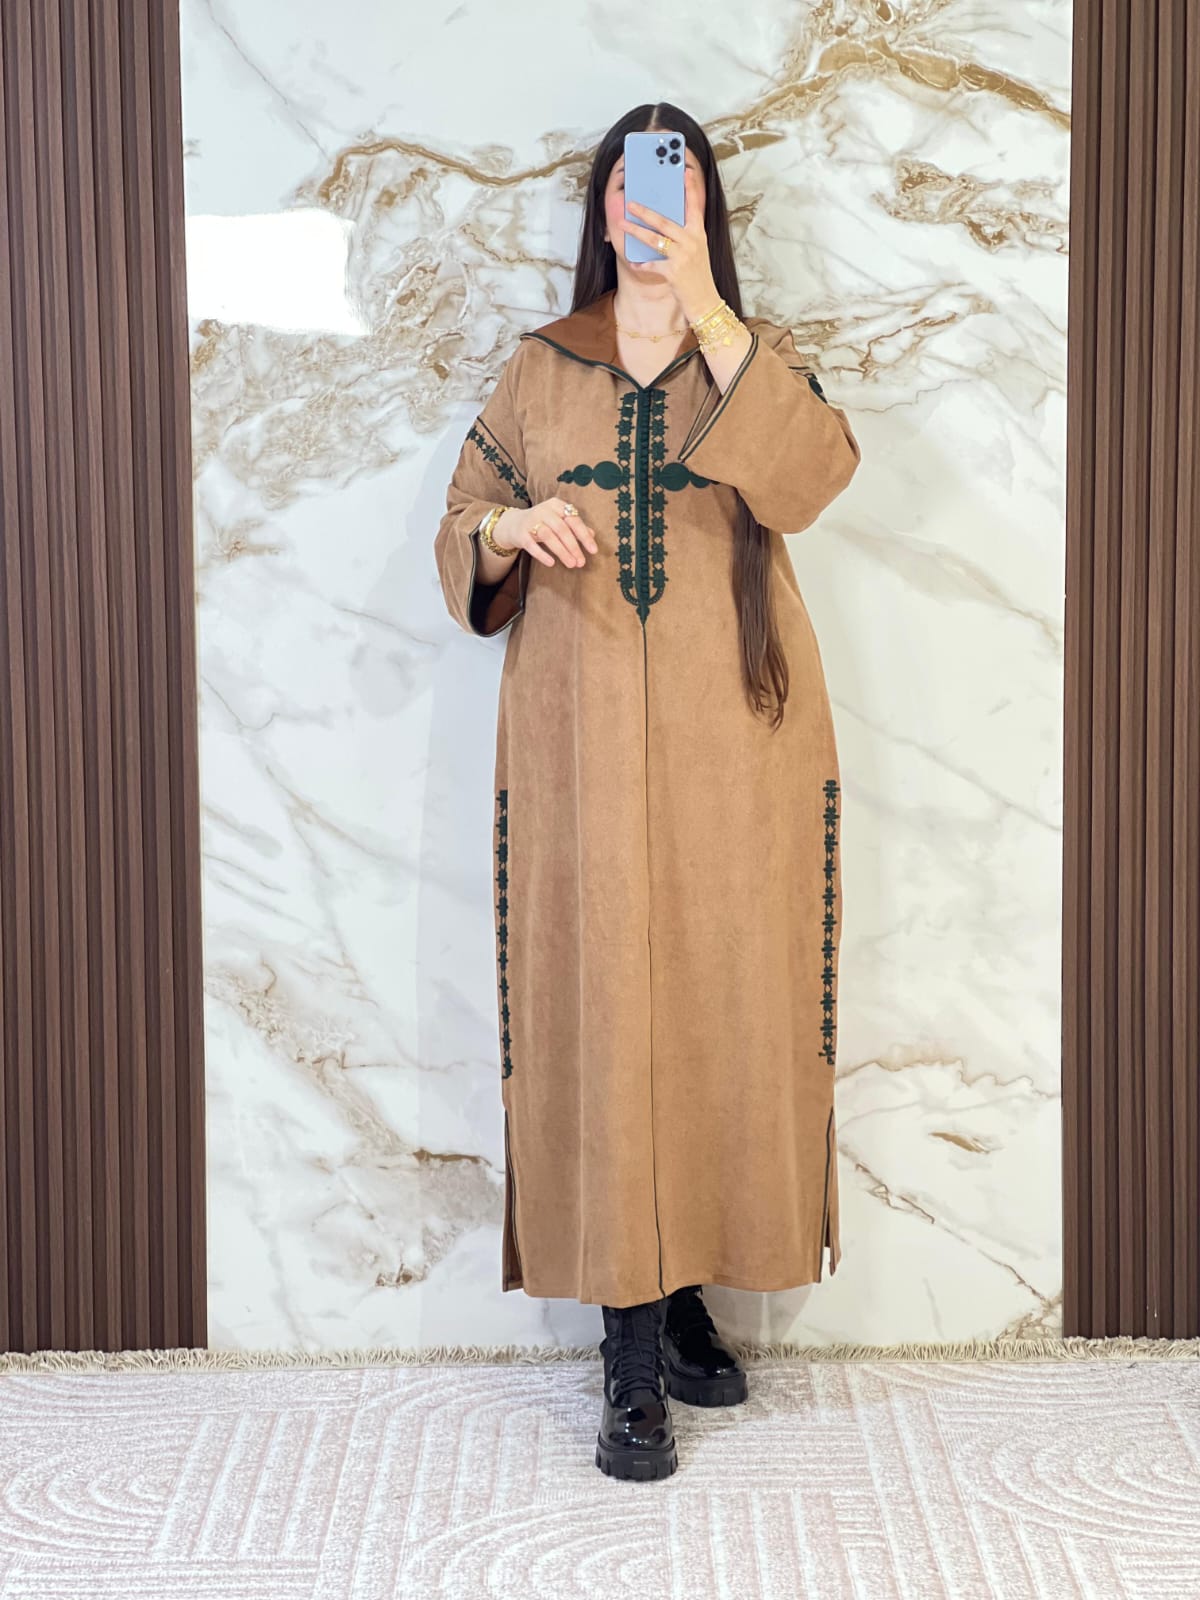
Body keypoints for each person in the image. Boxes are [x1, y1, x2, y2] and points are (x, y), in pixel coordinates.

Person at [434, 102, 861, 1482]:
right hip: (577, 745)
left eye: (670, 180)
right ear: (600, 207)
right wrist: (509, 524)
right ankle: (628, 1347)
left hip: (735, 740)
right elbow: (460, 523)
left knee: (719, 999)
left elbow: (812, 479)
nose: (646, 201)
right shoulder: (542, 366)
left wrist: (715, 316)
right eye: (626, 179)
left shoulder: (748, 355)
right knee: (606, 1005)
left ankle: (680, 1293)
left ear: (703, 205)